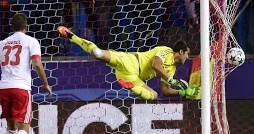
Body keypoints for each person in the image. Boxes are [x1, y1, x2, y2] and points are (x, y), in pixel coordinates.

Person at [57, 26, 199, 100]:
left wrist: (182, 92)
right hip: (130, 61)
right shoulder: (166, 51)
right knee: (98, 53)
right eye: (187, 53)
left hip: (132, 78)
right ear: (180, 51)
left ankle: (131, 87)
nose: (187, 57)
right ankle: (72, 37)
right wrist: (172, 80)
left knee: (155, 96)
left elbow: (166, 91)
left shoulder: (172, 70)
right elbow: (156, 65)